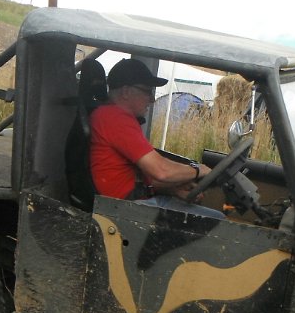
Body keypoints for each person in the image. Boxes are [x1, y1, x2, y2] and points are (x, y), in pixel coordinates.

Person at [89, 59, 222, 218]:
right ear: (125, 91)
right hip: (123, 212)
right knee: (219, 221)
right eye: (147, 91)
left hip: (130, 203)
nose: (152, 99)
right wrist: (199, 170)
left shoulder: (111, 116)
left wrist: (172, 189)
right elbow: (161, 171)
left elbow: (140, 175)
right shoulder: (115, 117)